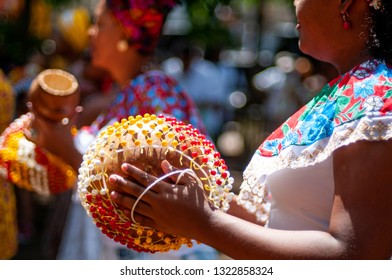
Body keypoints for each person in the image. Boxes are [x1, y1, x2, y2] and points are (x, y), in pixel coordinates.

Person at [108, 0, 392, 259]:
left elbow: (357, 255)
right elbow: (288, 220)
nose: (294, 2)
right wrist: (198, 197)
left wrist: (204, 222)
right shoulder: (352, 89)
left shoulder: (378, 96)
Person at [27, 0, 217, 260]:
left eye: (99, 24)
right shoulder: (130, 92)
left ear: (125, 34)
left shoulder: (155, 90)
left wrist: (68, 151)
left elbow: (162, 190)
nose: (90, 33)